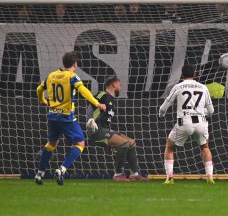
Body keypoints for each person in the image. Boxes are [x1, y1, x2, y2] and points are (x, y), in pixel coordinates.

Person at [34, 52, 106, 186]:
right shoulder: (72, 77)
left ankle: (40, 173)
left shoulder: (52, 75)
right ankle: (62, 169)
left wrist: (42, 100)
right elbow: (83, 90)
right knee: (80, 144)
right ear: (75, 64)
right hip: (66, 117)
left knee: (51, 144)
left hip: (52, 116)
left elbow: (39, 89)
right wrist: (96, 103)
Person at [159, 64, 215, 185]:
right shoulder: (203, 87)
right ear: (195, 74)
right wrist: (201, 112)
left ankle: (169, 178)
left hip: (184, 122)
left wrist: (161, 114)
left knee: (169, 147)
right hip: (200, 122)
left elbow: (166, 104)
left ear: (182, 74)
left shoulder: (178, 86)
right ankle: (210, 177)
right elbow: (211, 111)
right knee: (205, 147)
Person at [86, 77, 146, 181]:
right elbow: (90, 103)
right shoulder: (103, 95)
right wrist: (90, 120)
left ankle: (134, 174)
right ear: (114, 85)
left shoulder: (111, 100)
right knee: (123, 143)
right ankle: (118, 174)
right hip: (96, 131)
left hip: (105, 130)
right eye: (120, 85)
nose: (121, 87)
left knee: (131, 142)